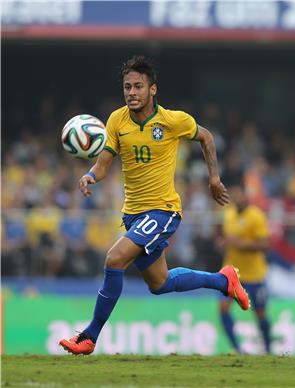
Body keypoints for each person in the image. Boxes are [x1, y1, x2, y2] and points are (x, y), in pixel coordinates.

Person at [59, 55, 250, 355]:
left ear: (152, 90)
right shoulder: (116, 120)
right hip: (133, 215)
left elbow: (206, 137)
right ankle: (223, 280)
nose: (132, 92)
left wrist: (214, 178)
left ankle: (89, 336)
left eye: (138, 86)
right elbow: (105, 161)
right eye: (127, 87)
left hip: (163, 210)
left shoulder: (173, 121)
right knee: (160, 283)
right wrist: (90, 175)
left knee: (114, 259)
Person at [218, 184, 272, 354]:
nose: (236, 198)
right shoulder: (228, 214)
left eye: (239, 195)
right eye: (233, 195)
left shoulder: (256, 216)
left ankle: (268, 350)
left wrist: (240, 244)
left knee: (260, 313)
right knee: (223, 309)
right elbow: (228, 238)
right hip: (232, 274)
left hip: (254, 275)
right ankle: (237, 348)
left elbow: (264, 245)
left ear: (245, 196)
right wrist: (224, 243)